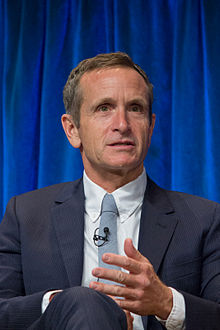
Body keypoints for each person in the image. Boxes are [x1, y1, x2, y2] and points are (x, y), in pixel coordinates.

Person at [0, 52, 219, 330]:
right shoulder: (25, 215)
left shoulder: (204, 220)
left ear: (151, 127)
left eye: (135, 108)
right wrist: (60, 304)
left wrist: (167, 302)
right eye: (104, 108)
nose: (122, 125)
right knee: (84, 301)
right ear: (72, 130)